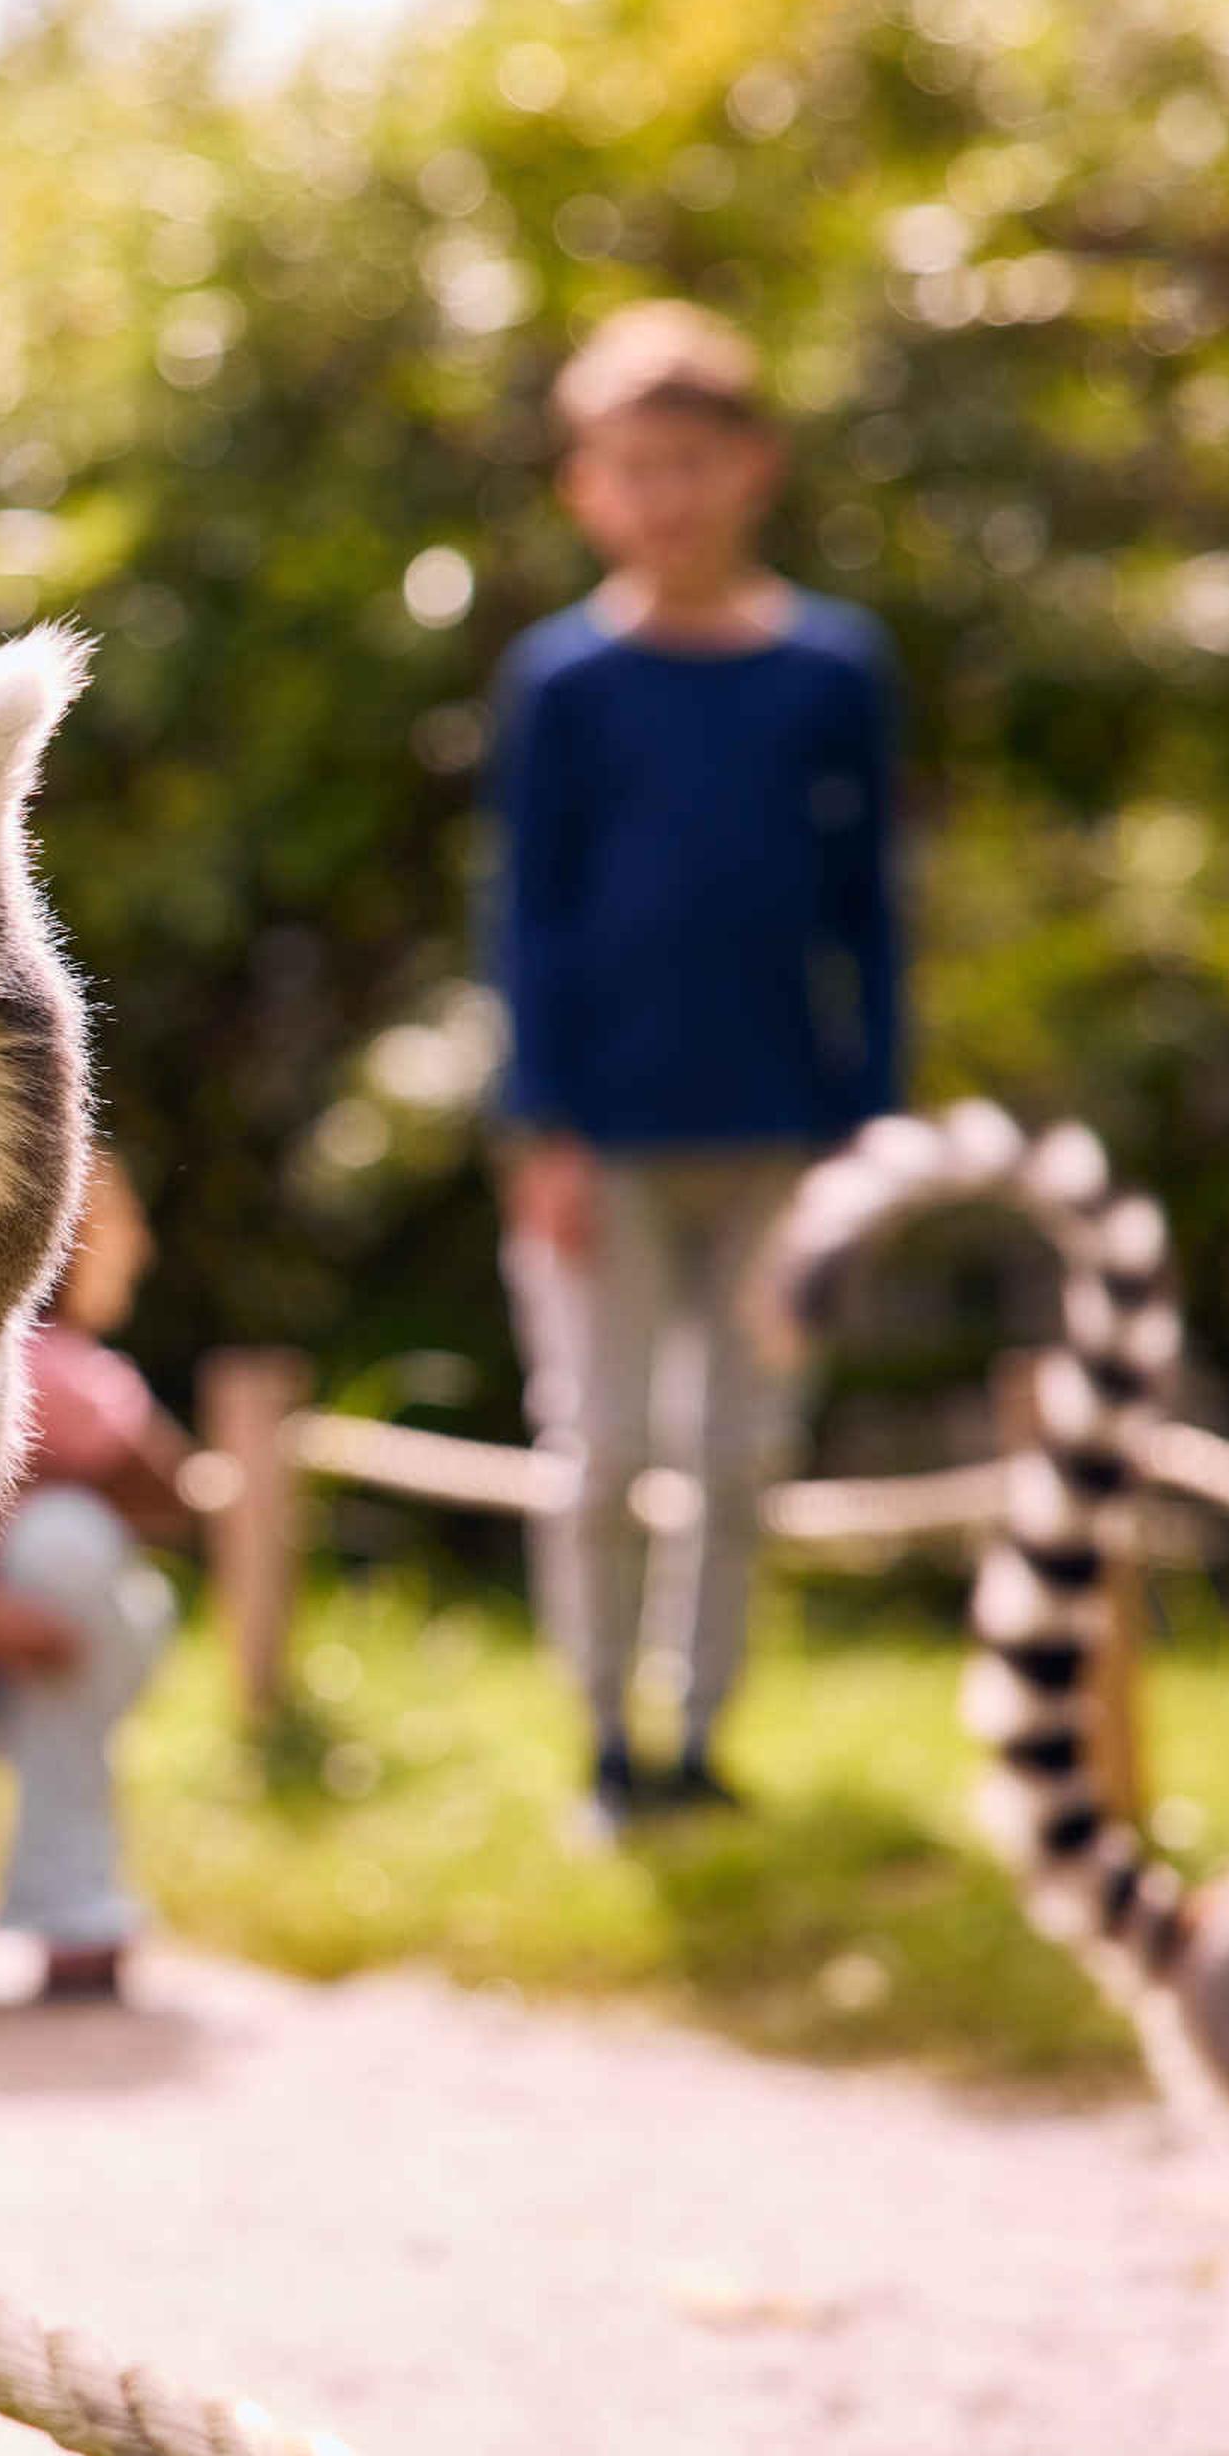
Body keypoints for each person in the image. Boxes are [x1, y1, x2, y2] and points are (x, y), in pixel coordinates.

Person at [490, 299, 903, 1833]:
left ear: (753, 467)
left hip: (783, 1134)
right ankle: (605, 1734)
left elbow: (873, 921)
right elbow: (527, 914)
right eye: (628, 466)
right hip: (598, 1138)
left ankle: (702, 1734)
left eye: (690, 461)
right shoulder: (565, 681)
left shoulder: (833, 672)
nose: (663, 494)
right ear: (586, 486)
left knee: (739, 1452)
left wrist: (868, 1133)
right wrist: (542, 1126)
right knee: (599, 1448)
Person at [0, 1165, 191, 2006]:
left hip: (76, 1629)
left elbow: (172, 1493)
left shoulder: (70, 1372)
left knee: (66, 1542)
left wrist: (49, 1474)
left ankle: (75, 1912)